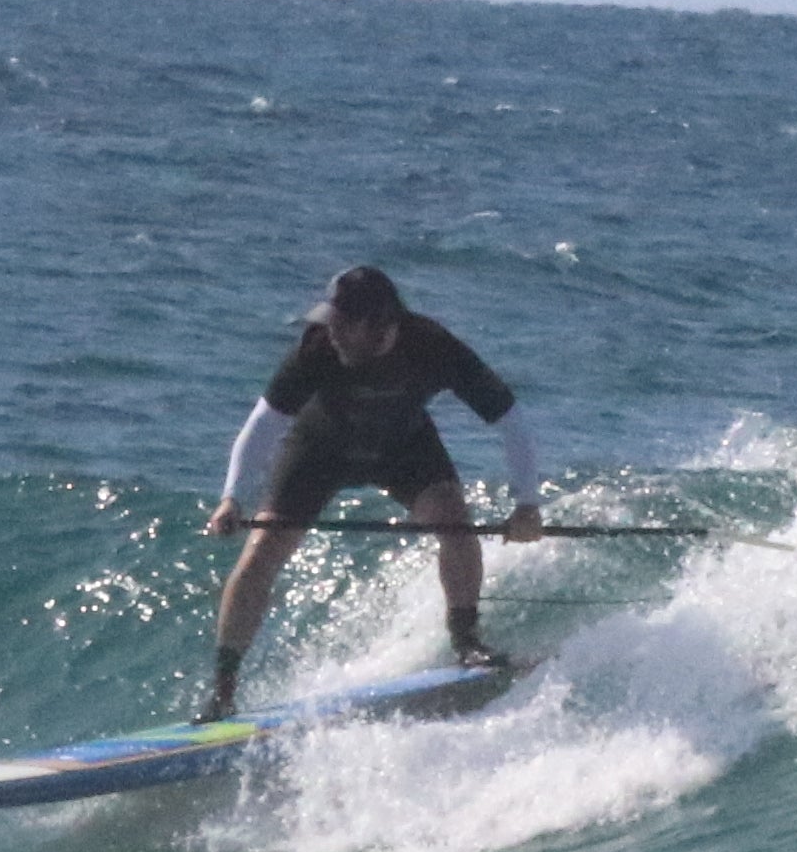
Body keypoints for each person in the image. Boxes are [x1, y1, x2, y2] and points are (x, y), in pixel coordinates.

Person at [201, 263, 543, 717]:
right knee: (263, 546)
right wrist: (232, 498)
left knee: (453, 521)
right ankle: (224, 690)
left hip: (402, 446)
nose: (332, 333)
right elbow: (263, 425)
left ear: (378, 323)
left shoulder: (433, 346)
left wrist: (527, 505)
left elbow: (510, 419)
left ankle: (467, 643)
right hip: (319, 449)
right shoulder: (316, 349)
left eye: (342, 323)